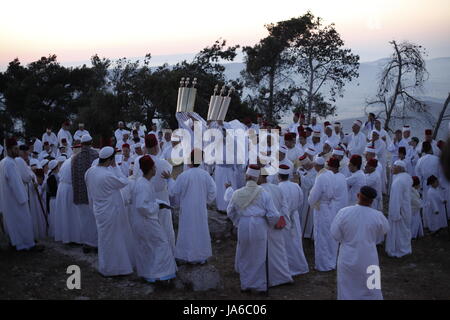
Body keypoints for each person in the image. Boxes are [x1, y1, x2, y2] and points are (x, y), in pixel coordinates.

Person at [227, 165, 281, 294]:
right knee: (259, 254)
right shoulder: (264, 193)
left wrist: (238, 221)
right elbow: (274, 214)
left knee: (245, 253)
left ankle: (245, 284)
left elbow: (230, 211)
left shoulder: (237, 193)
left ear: (246, 177)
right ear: (257, 178)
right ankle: (259, 285)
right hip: (259, 224)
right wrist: (268, 224)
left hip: (244, 224)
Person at [331, 186, 390, 300]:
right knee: (372, 287)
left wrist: (346, 240)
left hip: (347, 257)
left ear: (358, 196)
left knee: (347, 287)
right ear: (372, 201)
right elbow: (385, 230)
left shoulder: (344, 212)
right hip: (369, 256)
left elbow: (335, 234)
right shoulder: (378, 215)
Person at [85, 146, 134, 276]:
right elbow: (124, 181)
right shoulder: (107, 175)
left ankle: (106, 266)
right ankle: (115, 269)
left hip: (98, 209)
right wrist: (115, 166)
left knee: (104, 239)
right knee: (114, 239)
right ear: (110, 159)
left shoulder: (89, 171)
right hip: (111, 211)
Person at [130, 155, 177, 284]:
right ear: (151, 169)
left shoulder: (143, 182)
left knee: (149, 247)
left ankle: (149, 273)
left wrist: (158, 203)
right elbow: (142, 206)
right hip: (146, 221)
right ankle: (160, 275)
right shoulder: (143, 185)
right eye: (154, 167)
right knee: (162, 244)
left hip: (144, 220)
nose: (156, 168)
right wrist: (157, 206)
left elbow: (146, 201)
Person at [165, 149, 216, 264]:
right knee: (200, 231)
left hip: (187, 210)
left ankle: (189, 256)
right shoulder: (205, 175)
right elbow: (213, 191)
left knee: (188, 232)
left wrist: (169, 179)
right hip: (200, 209)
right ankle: (201, 256)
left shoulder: (184, 176)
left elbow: (173, 191)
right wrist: (206, 201)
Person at [0, 138, 41, 251]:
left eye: (17, 148)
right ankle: (26, 244)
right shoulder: (10, 164)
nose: (17, 151)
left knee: (13, 224)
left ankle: (16, 243)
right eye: (15, 149)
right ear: (8, 150)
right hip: (16, 200)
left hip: (8, 200)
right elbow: (16, 184)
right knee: (23, 221)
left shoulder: (4, 162)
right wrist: (23, 198)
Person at [258, 167, 293, 287]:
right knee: (278, 252)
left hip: (265, 225)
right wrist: (284, 222)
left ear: (261, 176)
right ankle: (282, 276)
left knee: (267, 252)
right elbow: (284, 208)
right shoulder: (277, 188)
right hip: (277, 225)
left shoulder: (259, 191)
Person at [277, 164, 309, 277]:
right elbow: (301, 201)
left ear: (278, 175)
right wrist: (293, 211)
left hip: (283, 218)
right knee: (295, 242)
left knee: (285, 244)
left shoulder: (278, 188)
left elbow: (278, 206)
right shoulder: (296, 186)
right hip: (294, 216)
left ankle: (288, 268)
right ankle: (299, 266)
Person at [308, 156, 338, 271]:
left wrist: (310, 199)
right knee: (329, 236)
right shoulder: (329, 173)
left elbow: (313, 197)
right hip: (330, 207)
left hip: (322, 209)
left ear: (316, 166)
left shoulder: (320, 177)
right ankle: (331, 260)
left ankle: (323, 265)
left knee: (321, 237)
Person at [72, 134, 99, 253]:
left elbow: (73, 179)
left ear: (81, 144)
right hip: (93, 194)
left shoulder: (75, 158)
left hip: (80, 194)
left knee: (83, 220)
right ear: (91, 142)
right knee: (94, 220)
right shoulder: (96, 155)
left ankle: (87, 243)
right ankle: (96, 244)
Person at [385, 160, 413, 258]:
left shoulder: (398, 181)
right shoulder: (406, 178)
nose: (392, 168)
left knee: (399, 232)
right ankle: (405, 248)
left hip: (399, 211)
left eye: (394, 166)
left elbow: (396, 200)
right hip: (406, 209)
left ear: (400, 169)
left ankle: (398, 250)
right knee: (404, 231)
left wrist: (395, 214)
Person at [297, 155, 316, 239]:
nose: (304, 167)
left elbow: (309, 184)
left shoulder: (315, 171)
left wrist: (302, 176)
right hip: (303, 195)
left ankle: (307, 234)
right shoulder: (303, 169)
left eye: (305, 166)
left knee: (308, 216)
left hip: (310, 196)